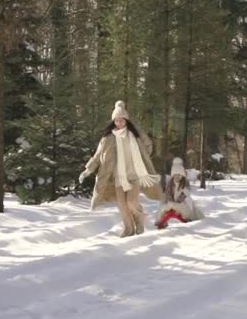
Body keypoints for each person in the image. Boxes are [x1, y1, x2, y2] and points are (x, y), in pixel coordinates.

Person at [79, 101, 163, 237]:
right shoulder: (108, 138)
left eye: (121, 120)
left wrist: (143, 156)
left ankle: (139, 218)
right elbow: (98, 155)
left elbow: (148, 145)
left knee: (131, 201)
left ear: (126, 120)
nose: (119, 123)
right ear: (114, 121)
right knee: (122, 206)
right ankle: (129, 229)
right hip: (118, 177)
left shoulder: (134, 135)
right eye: (116, 120)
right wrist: (88, 169)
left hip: (134, 175)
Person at [155, 157, 204, 229]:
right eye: (175, 175)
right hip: (171, 206)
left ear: (182, 175)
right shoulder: (170, 185)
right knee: (164, 208)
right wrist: (165, 205)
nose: (177, 177)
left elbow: (185, 200)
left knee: (173, 207)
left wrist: (175, 206)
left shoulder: (185, 186)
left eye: (179, 175)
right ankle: (161, 223)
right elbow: (165, 198)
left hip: (184, 208)